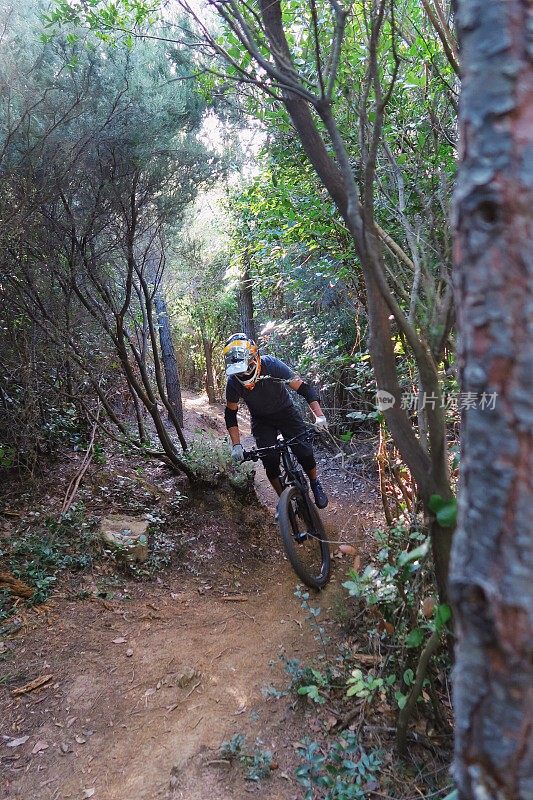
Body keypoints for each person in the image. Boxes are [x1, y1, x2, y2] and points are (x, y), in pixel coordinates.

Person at [223, 332, 329, 509]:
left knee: (304, 452)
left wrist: (319, 416)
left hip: (285, 412)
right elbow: (230, 413)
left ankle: (314, 482)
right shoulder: (233, 382)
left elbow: (303, 389)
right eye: (238, 371)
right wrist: (236, 446)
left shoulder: (272, 365)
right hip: (261, 420)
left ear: (254, 358)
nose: (242, 374)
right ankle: (284, 500)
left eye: (245, 368)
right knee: (270, 462)